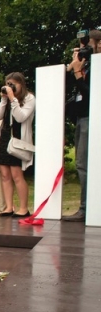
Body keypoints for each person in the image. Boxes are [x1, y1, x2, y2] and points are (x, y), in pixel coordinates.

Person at [62, 29, 100, 222]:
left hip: (91, 118)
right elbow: (69, 88)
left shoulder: (97, 68)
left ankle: (88, 209)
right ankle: (87, 207)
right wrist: (73, 67)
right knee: (82, 164)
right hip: (81, 118)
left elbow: (92, 95)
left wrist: (78, 72)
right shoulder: (86, 65)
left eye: (88, 46)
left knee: (85, 165)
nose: (84, 50)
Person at [0, 72, 35, 217]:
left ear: (21, 84)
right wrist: (4, 100)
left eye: (13, 84)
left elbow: (20, 117)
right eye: (8, 84)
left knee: (17, 174)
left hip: (18, 140)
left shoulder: (29, 98)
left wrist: (13, 99)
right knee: (5, 175)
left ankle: (24, 208)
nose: (10, 87)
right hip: (4, 138)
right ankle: (9, 206)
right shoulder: (7, 101)